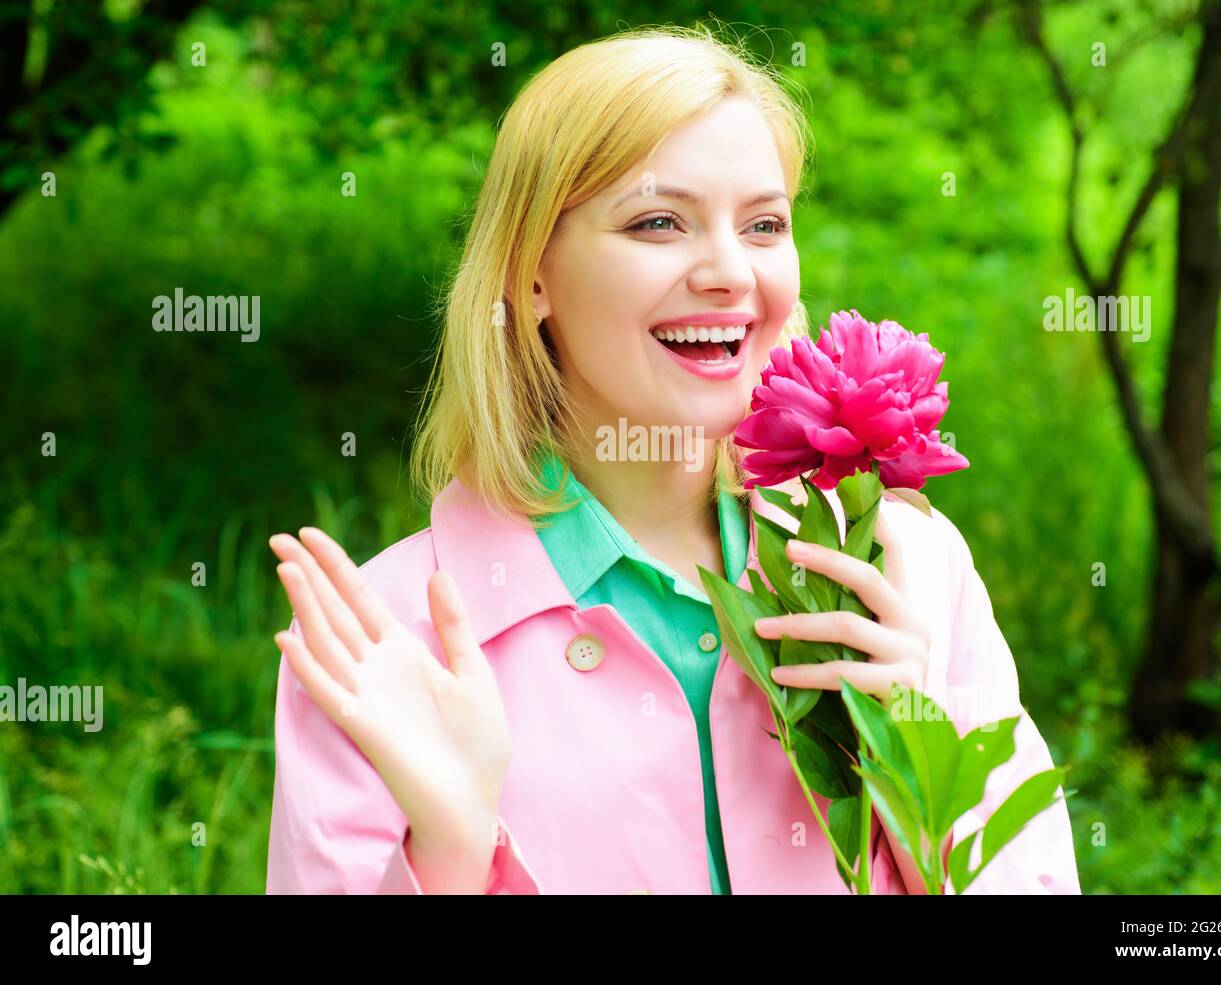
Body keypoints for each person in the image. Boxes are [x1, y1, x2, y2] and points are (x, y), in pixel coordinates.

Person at [264, 24, 1082, 895]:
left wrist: (922, 766)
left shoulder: (901, 568)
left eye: (765, 224)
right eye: (660, 222)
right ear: (531, 273)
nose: (731, 271)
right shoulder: (381, 644)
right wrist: (452, 854)